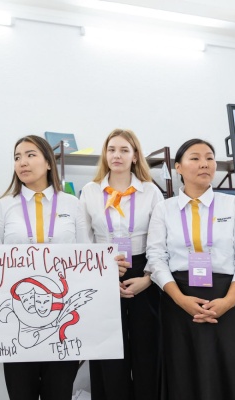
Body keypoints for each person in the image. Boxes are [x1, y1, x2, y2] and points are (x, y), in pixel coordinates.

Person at [145, 138, 235, 400]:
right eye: (195, 158)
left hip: (229, 297)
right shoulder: (164, 209)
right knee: (185, 371)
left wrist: (230, 300)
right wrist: (180, 299)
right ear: (178, 167)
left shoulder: (234, 205)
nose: (205, 164)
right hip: (179, 299)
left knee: (234, 370)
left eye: (210, 158)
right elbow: (156, 258)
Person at [0, 135, 89, 400]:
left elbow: (87, 256)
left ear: (48, 162)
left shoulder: (72, 204)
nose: (22, 162)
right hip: (19, 321)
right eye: (17, 157)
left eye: (30, 155)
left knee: (59, 393)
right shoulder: (4, 206)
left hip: (63, 321)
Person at [78, 128, 162, 400]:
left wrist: (148, 277)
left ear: (135, 156)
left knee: (146, 349)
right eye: (111, 149)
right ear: (105, 154)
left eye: (124, 150)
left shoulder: (151, 191)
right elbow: (83, 240)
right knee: (108, 351)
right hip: (103, 271)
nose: (117, 155)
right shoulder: (90, 191)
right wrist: (103, 276)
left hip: (144, 271)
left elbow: (160, 240)